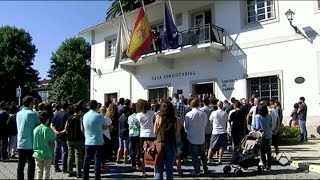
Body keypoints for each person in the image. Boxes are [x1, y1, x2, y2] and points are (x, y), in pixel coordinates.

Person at [82, 100, 108, 180]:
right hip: (98, 141)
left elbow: (83, 128)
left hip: (88, 141)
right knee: (97, 160)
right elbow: (104, 127)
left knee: (86, 160)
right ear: (96, 106)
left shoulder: (85, 115)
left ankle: (85, 177)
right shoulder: (99, 116)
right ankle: (97, 176)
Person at [16, 96, 40, 180]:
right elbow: (38, 126)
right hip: (30, 143)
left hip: (20, 142)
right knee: (31, 163)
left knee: (20, 164)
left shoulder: (18, 113)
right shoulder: (33, 114)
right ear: (30, 103)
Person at [154, 101, 178, 180]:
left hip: (160, 143)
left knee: (158, 169)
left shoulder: (158, 117)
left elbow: (155, 131)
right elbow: (176, 132)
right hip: (171, 144)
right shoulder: (174, 119)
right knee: (169, 169)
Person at [184, 98, 208, 176]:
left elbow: (186, 127)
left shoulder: (188, 114)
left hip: (192, 137)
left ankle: (197, 170)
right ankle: (205, 168)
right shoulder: (203, 113)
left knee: (194, 155)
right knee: (202, 154)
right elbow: (205, 124)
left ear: (191, 105)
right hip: (201, 136)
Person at [33, 111, 55, 180]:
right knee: (46, 172)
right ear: (48, 120)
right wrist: (52, 153)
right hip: (47, 154)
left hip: (37, 153)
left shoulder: (35, 129)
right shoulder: (49, 130)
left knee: (39, 171)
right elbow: (51, 143)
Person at [64, 105, 85, 178]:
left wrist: (68, 133)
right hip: (79, 139)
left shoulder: (69, 118)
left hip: (70, 139)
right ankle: (79, 172)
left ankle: (70, 171)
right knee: (78, 156)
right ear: (79, 111)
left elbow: (66, 128)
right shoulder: (81, 118)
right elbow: (83, 129)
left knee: (70, 156)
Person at [51, 102, 69, 173]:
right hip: (64, 136)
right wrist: (62, 132)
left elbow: (52, 124)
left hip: (56, 135)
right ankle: (64, 168)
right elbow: (67, 126)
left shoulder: (56, 113)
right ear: (67, 107)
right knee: (64, 152)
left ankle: (56, 167)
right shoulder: (67, 114)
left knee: (56, 151)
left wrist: (55, 131)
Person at [253, 104, 272, 171]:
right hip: (269, 135)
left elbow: (257, 126)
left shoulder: (257, 116)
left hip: (261, 135)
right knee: (268, 151)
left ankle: (263, 164)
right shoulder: (269, 116)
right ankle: (269, 166)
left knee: (262, 151)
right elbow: (270, 125)